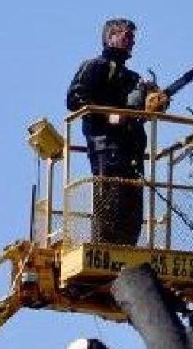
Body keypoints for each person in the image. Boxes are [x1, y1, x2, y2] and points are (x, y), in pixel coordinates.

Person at [66, 18, 168, 245]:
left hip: (132, 146)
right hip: (106, 143)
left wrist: (156, 101)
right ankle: (103, 242)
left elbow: (140, 107)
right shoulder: (95, 66)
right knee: (110, 197)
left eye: (133, 37)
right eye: (126, 35)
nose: (132, 41)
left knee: (132, 202)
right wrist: (107, 115)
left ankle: (128, 244)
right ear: (111, 37)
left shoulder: (133, 79)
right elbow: (75, 98)